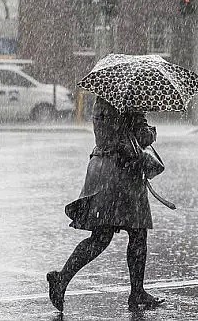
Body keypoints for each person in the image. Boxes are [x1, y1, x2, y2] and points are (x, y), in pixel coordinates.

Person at [47, 96, 165, 312]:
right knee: (134, 234)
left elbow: (109, 133)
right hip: (121, 173)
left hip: (102, 167)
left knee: (103, 237)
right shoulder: (130, 101)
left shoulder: (104, 98)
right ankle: (135, 292)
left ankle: (63, 279)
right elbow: (140, 137)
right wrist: (150, 131)